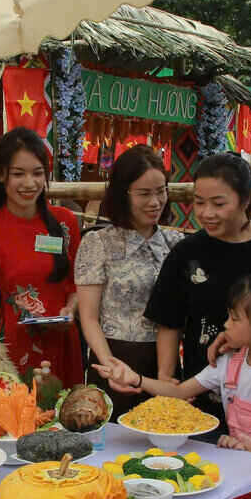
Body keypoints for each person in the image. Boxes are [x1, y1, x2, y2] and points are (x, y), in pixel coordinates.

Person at [144, 152, 251, 431]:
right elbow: (169, 320)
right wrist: (166, 377)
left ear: (245, 201)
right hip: (203, 392)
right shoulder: (188, 252)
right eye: (199, 202)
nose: (206, 213)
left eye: (219, 203)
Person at [94, 272, 251, 448]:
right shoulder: (228, 364)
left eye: (235, 319)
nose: (226, 324)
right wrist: (136, 379)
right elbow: (179, 392)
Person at [0, 127, 83, 384]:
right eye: (19, 174)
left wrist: (71, 309)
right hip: (13, 347)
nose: (30, 184)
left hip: (61, 343)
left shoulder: (66, 223)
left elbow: (77, 283)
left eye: (38, 173)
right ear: (0, 174)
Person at [75, 145, 183, 416]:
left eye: (161, 191)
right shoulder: (98, 243)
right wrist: (109, 365)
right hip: (113, 355)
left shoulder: (176, 244)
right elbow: (89, 318)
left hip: (164, 363)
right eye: (144, 194)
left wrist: (165, 374)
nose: (155, 202)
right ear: (123, 195)